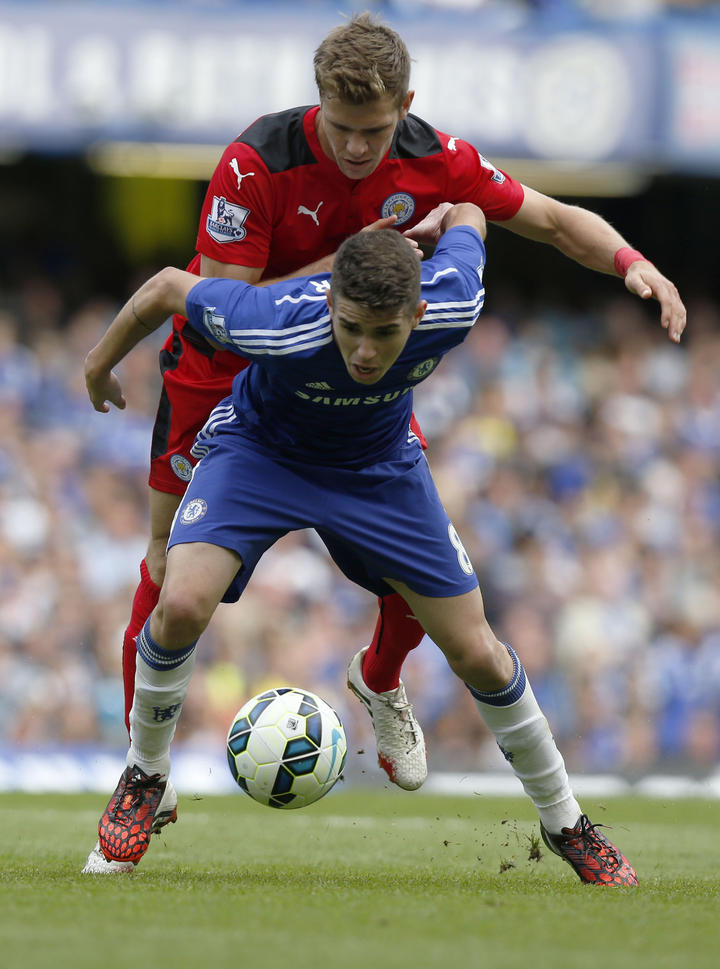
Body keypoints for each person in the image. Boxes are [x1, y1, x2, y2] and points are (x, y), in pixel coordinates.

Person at [115, 12, 687, 796]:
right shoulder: (255, 162)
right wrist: (345, 269)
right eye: (342, 128)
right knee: (165, 569)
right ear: (317, 102)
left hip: (358, 369)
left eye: (375, 130)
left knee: (417, 573)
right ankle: (143, 772)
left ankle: (379, 678)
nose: (357, 148)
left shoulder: (434, 157)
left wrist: (631, 259)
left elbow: (549, 219)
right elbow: (230, 309)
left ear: (406, 105)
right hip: (227, 376)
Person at [82, 202, 639, 886]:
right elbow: (169, 286)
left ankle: (566, 822)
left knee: (479, 653)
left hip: (378, 468)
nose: (365, 351)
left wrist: (450, 217)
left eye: (384, 333)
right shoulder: (279, 316)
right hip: (260, 452)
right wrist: (98, 363)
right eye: (350, 329)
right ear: (331, 304)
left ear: (416, 314)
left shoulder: (454, 299)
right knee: (182, 601)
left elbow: (472, 214)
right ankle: (144, 775)